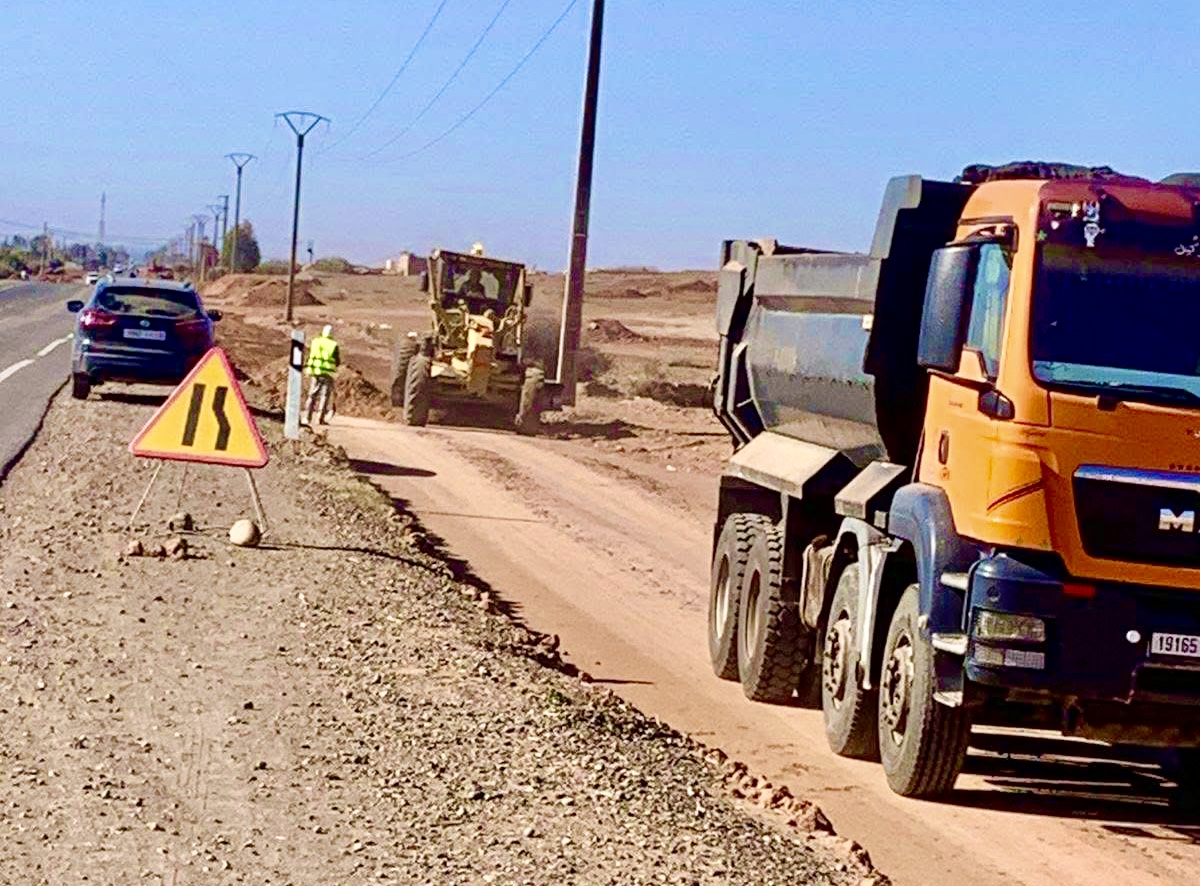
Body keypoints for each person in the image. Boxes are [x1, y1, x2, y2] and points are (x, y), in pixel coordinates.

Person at [304, 324, 340, 425]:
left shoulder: (315, 342)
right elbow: (337, 360)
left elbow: (310, 355)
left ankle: (307, 417)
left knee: (312, 395)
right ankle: (320, 419)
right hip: (327, 373)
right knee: (325, 396)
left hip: (315, 372)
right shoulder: (333, 344)